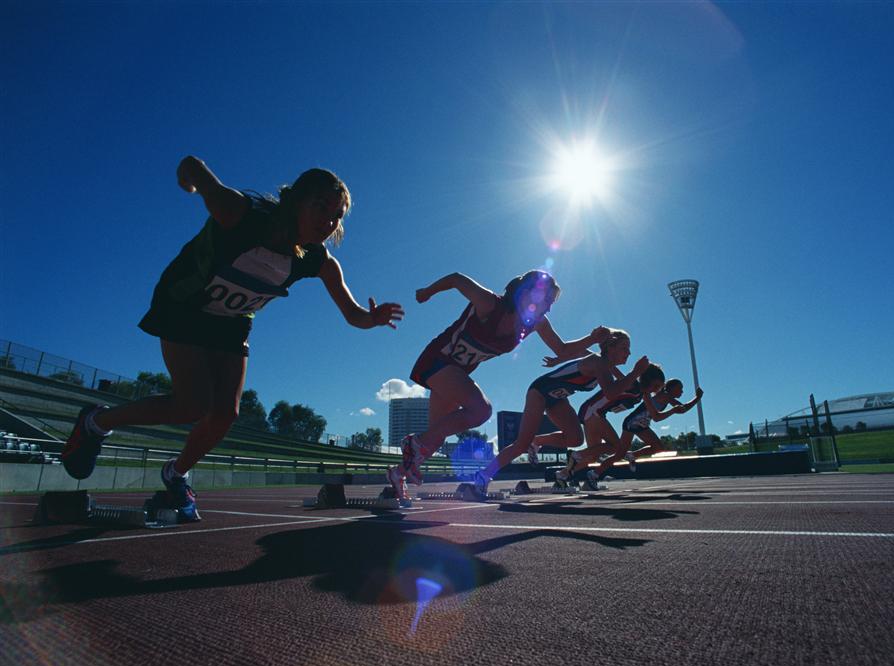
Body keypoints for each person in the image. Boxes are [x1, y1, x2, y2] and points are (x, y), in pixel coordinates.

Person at [61, 156, 403, 521]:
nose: (328, 221)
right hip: (184, 305)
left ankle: (175, 473)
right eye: (320, 206)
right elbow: (194, 165)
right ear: (295, 201)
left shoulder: (319, 261)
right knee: (192, 404)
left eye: (336, 215)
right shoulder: (241, 213)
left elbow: (352, 315)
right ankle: (96, 422)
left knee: (225, 413)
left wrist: (374, 318)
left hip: (233, 321)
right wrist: (188, 180)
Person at [387, 270, 607, 506]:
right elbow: (457, 279)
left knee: (434, 437)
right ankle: (412, 443)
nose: (549, 309)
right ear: (528, 293)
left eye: (551, 304)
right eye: (547, 301)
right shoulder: (490, 304)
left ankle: (398, 473)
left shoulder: (535, 324)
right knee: (481, 410)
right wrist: (427, 292)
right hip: (438, 361)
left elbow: (562, 350)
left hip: (456, 374)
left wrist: (592, 339)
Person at [470, 329, 649, 498]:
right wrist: (635, 372)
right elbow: (611, 392)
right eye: (624, 348)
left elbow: (581, 354)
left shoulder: (606, 366)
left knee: (575, 439)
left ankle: (536, 441)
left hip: (558, 398)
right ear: (610, 347)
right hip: (540, 391)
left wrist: (558, 360)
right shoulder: (598, 362)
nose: (629, 353)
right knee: (521, 443)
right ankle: (484, 475)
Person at [563, 362, 666, 490]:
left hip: (595, 413)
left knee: (593, 456)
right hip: (593, 411)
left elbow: (655, 415)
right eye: (655, 386)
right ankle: (575, 455)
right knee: (617, 447)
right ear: (646, 380)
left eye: (660, 388)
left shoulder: (642, 394)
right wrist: (599, 357)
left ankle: (563, 475)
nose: (656, 390)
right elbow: (611, 368)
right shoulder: (631, 384)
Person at [591, 379, 703, 482]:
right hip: (632, 423)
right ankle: (594, 473)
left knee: (658, 447)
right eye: (680, 389)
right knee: (620, 454)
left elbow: (682, 409)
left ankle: (632, 455)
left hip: (641, 425)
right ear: (672, 389)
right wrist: (673, 411)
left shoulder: (669, 398)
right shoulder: (663, 396)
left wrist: (697, 398)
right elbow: (657, 417)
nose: (682, 392)